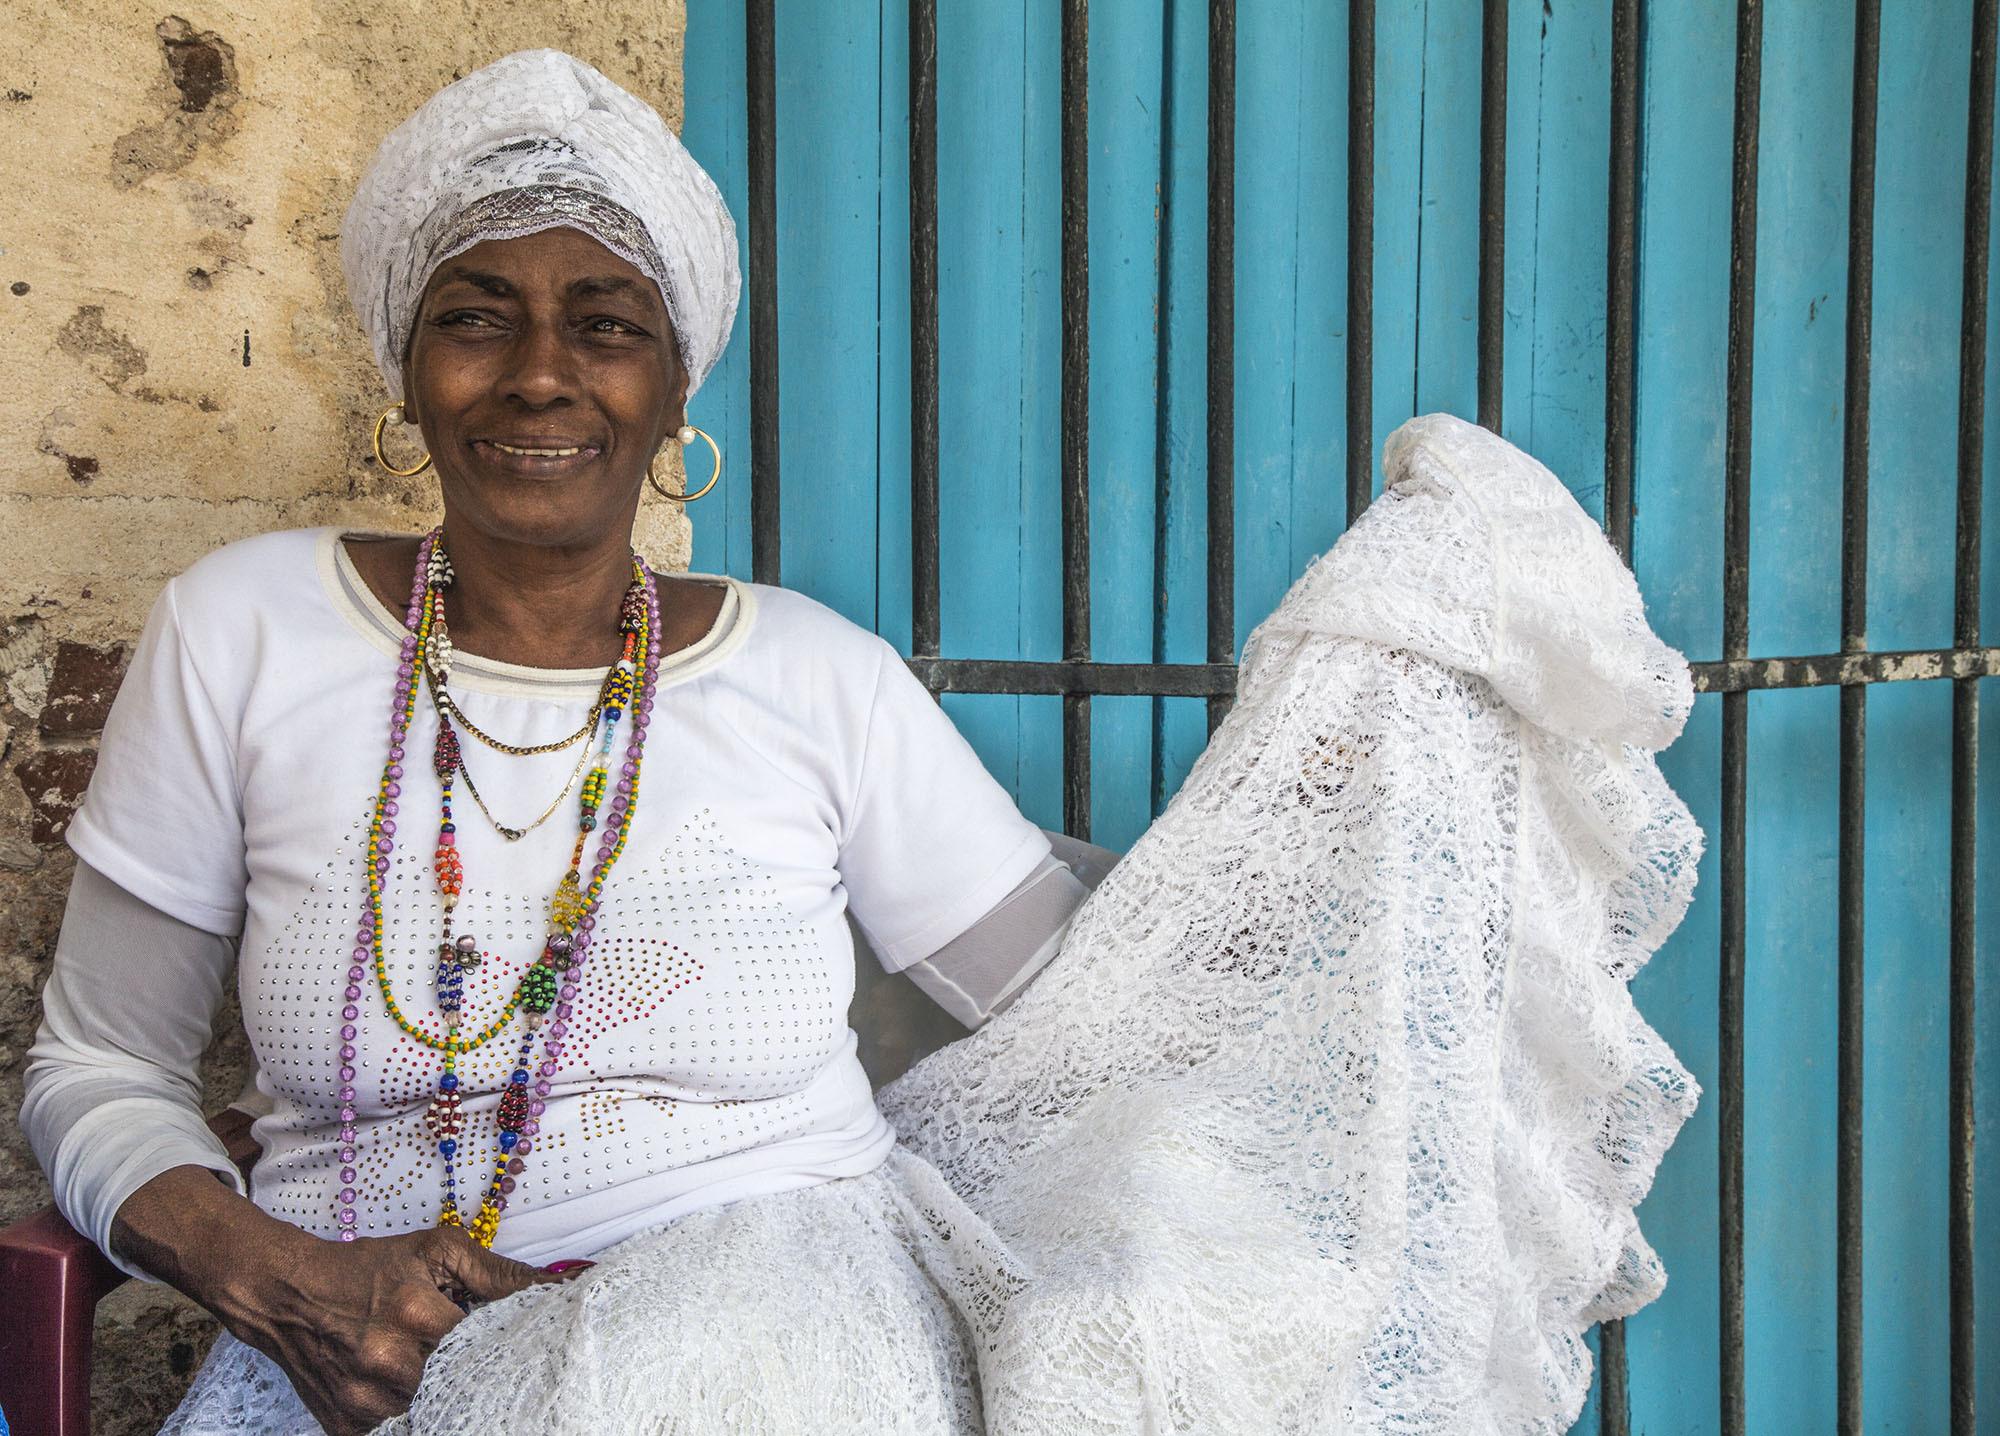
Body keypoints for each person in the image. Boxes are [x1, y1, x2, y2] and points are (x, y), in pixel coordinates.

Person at [23, 50, 1703, 1436]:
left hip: (777, 1343)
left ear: (677, 387)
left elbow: (1088, 1006)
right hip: (357, 1366)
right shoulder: (242, 630)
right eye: (479, 314)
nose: (542, 374)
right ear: (409, 362)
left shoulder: (814, 676)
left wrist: (1329, 803)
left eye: (605, 322)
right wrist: (269, 1274)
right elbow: (97, 1074)